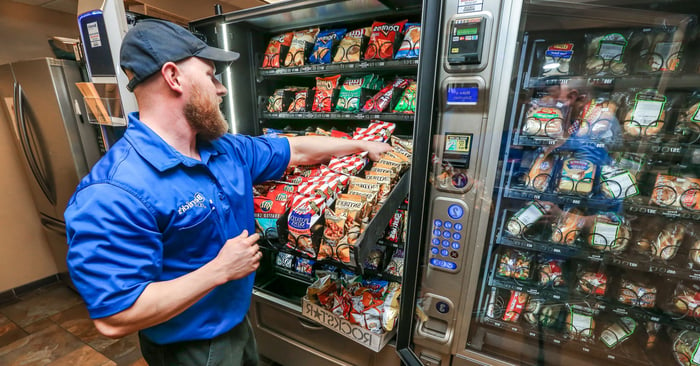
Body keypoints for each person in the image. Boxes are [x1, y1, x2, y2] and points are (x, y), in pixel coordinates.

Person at [64, 19, 392, 366]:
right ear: (173, 77)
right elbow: (115, 316)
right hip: (188, 349)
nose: (221, 89)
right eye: (210, 75)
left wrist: (361, 144)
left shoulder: (223, 149)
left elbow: (294, 150)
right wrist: (218, 270)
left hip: (237, 322)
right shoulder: (113, 191)